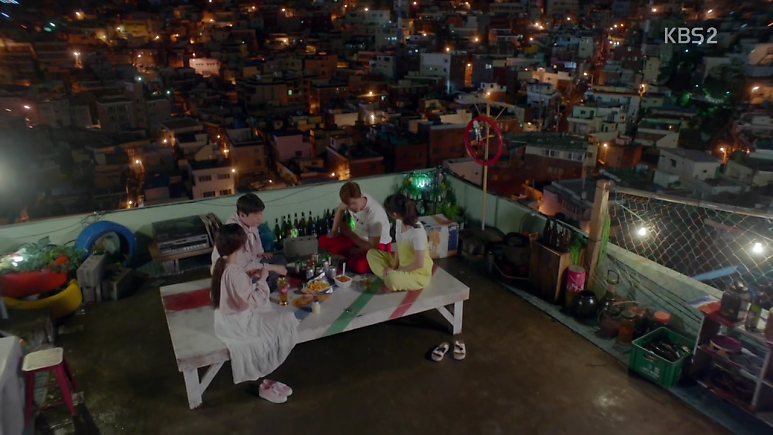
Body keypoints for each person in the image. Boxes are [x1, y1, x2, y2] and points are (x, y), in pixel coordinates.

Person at [211, 224, 299, 404]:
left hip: (224, 321)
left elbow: (231, 291)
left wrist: (249, 277)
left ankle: (266, 384)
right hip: (240, 325)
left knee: (270, 311)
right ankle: (264, 381)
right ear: (240, 246)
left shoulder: (221, 266)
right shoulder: (235, 272)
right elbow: (256, 299)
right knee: (287, 318)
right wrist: (263, 278)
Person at [211, 193, 287, 291]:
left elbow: (256, 249)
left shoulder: (250, 223)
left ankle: (265, 285)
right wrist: (272, 268)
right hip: (237, 272)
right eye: (255, 215)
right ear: (242, 215)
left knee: (280, 260)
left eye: (260, 213)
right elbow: (243, 266)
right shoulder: (235, 231)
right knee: (272, 270)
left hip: (251, 262)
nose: (260, 218)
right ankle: (261, 290)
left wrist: (261, 254)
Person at [319, 181, 391, 274]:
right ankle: (352, 254)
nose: (351, 207)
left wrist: (350, 234)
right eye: (348, 205)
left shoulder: (374, 213)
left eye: (353, 203)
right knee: (323, 240)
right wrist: (334, 231)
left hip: (378, 245)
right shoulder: (349, 200)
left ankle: (351, 256)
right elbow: (340, 210)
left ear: (360, 196)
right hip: (358, 239)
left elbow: (373, 246)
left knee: (361, 266)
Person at [367, 194, 433, 291]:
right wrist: (394, 266)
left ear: (394, 214)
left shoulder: (417, 232)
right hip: (401, 265)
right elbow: (398, 245)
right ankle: (390, 276)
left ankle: (391, 277)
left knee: (392, 278)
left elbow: (419, 263)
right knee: (371, 254)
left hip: (417, 273)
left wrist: (397, 271)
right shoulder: (399, 222)